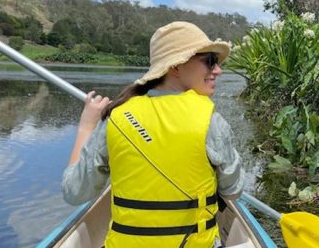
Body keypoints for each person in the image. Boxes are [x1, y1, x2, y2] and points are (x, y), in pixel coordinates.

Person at [62, 21, 244, 248]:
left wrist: (86, 126)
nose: (218, 70)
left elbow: (74, 192)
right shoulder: (210, 120)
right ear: (175, 67)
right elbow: (233, 189)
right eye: (209, 61)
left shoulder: (116, 117)